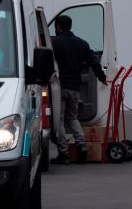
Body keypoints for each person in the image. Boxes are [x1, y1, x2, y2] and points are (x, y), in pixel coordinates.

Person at [51, 15, 108, 164]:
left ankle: (63, 154)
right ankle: (81, 144)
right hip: (75, 88)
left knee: (60, 120)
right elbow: (94, 62)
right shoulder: (82, 43)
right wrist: (102, 77)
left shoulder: (54, 43)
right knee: (72, 117)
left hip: (60, 87)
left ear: (58, 27)